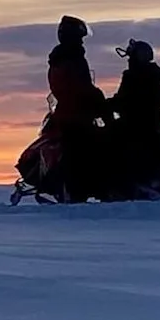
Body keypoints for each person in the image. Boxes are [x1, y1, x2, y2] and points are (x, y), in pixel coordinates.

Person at [46, 16, 109, 200]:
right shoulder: (72, 59)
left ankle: (83, 189)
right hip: (77, 115)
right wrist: (100, 102)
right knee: (89, 151)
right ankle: (82, 190)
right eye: (79, 36)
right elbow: (81, 87)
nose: (82, 40)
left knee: (80, 151)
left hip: (70, 113)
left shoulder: (60, 58)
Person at [108, 39, 160, 184]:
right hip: (148, 123)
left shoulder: (134, 76)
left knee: (110, 137)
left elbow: (126, 98)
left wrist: (108, 104)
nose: (129, 60)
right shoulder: (153, 73)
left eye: (131, 57)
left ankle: (121, 181)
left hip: (137, 124)